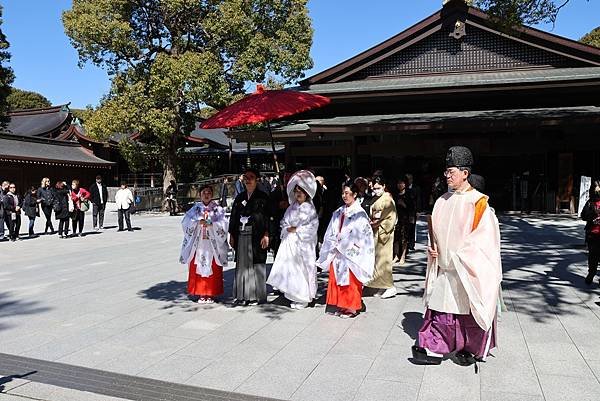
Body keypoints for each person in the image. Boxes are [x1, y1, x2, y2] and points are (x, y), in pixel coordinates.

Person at [412, 146, 502, 366]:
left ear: (465, 173)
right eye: (446, 171)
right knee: (441, 308)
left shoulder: (479, 203)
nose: (447, 176)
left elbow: (484, 241)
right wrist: (433, 251)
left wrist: (459, 257)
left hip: (466, 268)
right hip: (443, 267)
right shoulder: (442, 201)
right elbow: (437, 235)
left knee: (468, 309)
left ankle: (470, 348)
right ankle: (434, 347)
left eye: (451, 171)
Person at [317, 182, 375, 318]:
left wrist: (345, 242)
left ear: (355, 195)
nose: (345, 196)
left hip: (350, 253)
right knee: (338, 278)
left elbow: (363, 235)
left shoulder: (360, 214)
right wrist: (334, 240)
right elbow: (331, 229)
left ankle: (352, 307)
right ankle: (342, 305)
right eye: (343, 193)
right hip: (338, 250)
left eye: (348, 193)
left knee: (350, 280)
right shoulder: (339, 211)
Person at [267, 170, 319, 309]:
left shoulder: (309, 208)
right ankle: (292, 294)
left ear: (306, 193)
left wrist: (297, 230)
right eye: (296, 191)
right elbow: (284, 222)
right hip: (290, 243)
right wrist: (287, 228)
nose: (298, 194)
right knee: (291, 270)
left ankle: (303, 297)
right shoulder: (291, 207)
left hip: (302, 244)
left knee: (301, 270)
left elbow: (312, 227)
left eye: (301, 191)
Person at [180, 184, 229, 303]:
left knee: (213, 266)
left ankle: (211, 293)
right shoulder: (195, 209)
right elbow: (185, 222)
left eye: (208, 192)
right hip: (198, 244)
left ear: (212, 195)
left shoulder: (217, 209)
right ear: (200, 195)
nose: (206, 195)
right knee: (198, 266)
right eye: (204, 193)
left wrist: (213, 225)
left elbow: (224, 224)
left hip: (212, 244)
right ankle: (201, 293)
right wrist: (197, 222)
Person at [228, 167, 271, 305]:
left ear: (257, 179)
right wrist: (231, 234)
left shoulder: (263, 197)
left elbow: (268, 217)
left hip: (256, 234)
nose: (248, 180)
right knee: (242, 264)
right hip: (241, 234)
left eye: (251, 177)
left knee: (256, 263)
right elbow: (233, 217)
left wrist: (266, 233)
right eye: (245, 178)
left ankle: (256, 296)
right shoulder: (240, 197)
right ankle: (241, 295)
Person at [366, 176, 397, 299]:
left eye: (378, 188)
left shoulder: (388, 199)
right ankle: (379, 285)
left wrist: (377, 224)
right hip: (375, 230)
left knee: (384, 259)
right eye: (374, 188)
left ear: (384, 186)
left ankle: (389, 286)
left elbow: (390, 217)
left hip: (384, 232)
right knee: (377, 260)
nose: (376, 190)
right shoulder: (375, 198)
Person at [582, 180, 600, 285]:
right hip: (593, 233)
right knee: (593, 256)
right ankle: (591, 274)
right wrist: (593, 217)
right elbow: (583, 215)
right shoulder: (590, 202)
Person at [394, 177, 415, 265]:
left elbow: (412, 207)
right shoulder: (395, 194)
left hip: (405, 218)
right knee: (396, 238)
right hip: (396, 218)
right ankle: (396, 255)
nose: (400, 185)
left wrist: (404, 205)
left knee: (404, 238)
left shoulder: (409, 194)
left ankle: (403, 256)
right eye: (398, 183)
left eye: (402, 183)